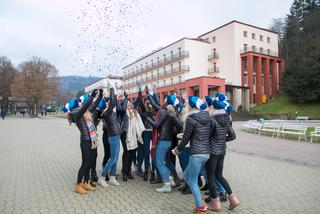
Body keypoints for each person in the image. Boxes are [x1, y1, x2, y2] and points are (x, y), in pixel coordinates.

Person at [205, 94, 239, 211]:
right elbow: (233, 135)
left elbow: (207, 136)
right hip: (222, 151)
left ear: (214, 109)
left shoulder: (212, 120)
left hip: (212, 152)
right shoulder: (226, 119)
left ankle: (215, 203)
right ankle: (233, 198)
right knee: (219, 175)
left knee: (210, 176)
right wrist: (221, 140)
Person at [145, 89, 182, 193]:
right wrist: (149, 95)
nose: (163, 100)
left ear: (166, 101)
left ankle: (166, 184)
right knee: (167, 161)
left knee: (159, 162)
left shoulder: (163, 111)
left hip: (163, 141)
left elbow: (157, 125)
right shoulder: (171, 111)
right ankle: (171, 180)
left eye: (165, 98)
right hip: (169, 141)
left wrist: (148, 119)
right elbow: (179, 125)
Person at [67, 89, 101, 194]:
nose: (82, 103)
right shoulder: (76, 114)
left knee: (91, 162)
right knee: (85, 164)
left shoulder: (85, 112)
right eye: (80, 102)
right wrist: (91, 97)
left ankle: (86, 182)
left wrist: (99, 96)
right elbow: (84, 108)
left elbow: (93, 106)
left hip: (92, 141)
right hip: (86, 141)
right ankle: (78, 185)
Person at [98, 87, 122, 187]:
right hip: (112, 137)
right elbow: (113, 103)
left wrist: (115, 94)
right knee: (112, 158)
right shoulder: (106, 112)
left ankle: (112, 177)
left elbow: (115, 104)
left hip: (117, 136)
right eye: (108, 101)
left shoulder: (112, 111)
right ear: (106, 104)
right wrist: (113, 90)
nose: (110, 103)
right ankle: (102, 177)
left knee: (115, 158)